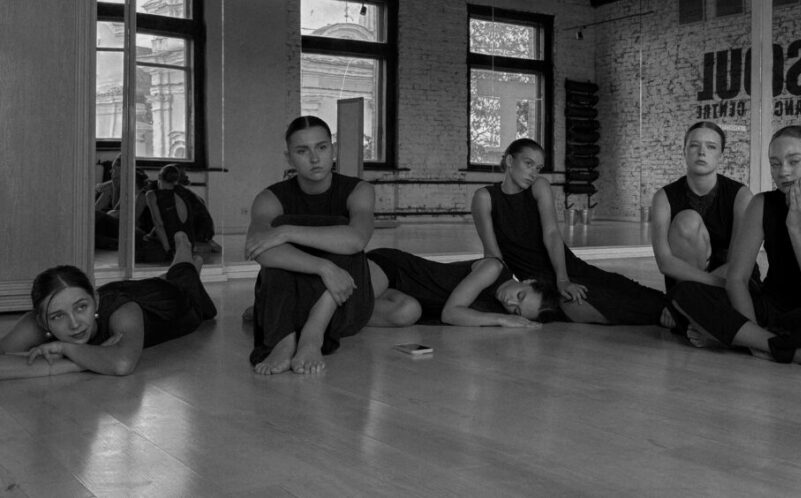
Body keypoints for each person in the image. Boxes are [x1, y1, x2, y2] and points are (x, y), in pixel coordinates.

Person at [668, 125, 801, 369]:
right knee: (684, 293)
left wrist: (796, 227)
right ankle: (781, 348)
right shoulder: (761, 203)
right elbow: (737, 279)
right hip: (771, 310)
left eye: (794, 161)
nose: (783, 171)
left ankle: (739, 338)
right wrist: (753, 331)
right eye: (775, 164)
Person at [472, 138, 666, 325]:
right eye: (528, 164)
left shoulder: (539, 186)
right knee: (600, 302)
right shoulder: (485, 197)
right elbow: (493, 255)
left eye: (538, 168)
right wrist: (505, 295)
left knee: (622, 287)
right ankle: (668, 316)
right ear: (509, 161)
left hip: (567, 266)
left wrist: (563, 279)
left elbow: (552, 234)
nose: (533, 173)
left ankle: (675, 308)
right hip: (536, 284)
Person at [246, 115, 376, 376]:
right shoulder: (270, 198)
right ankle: (283, 341)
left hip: (343, 297)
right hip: (291, 299)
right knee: (277, 239)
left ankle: (311, 337)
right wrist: (323, 267)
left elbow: (356, 239)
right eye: (302, 151)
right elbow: (257, 248)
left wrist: (286, 232)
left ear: (333, 149)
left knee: (342, 232)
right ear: (289, 158)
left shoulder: (358, 190)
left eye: (322, 147)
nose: (315, 158)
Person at [0, 232, 216, 379]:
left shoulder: (124, 311)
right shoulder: (36, 321)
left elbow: (122, 364)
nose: (74, 324)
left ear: (94, 301)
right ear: (42, 320)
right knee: (173, 277)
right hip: (130, 289)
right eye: (58, 316)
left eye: (81, 307)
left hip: (174, 303)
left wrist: (65, 349)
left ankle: (183, 248)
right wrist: (80, 361)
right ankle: (180, 271)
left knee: (186, 282)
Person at [650, 121, 754, 292]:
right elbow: (665, 262)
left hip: (732, 282)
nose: (702, 152)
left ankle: (689, 301)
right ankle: (690, 299)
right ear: (684, 151)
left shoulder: (741, 196)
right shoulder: (663, 197)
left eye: (711, 147)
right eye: (694, 145)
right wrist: (701, 288)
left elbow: (739, 262)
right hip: (687, 284)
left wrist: (698, 291)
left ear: (721, 155)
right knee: (687, 221)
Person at [366, 247, 560, 327]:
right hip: (393, 268)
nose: (509, 302)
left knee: (408, 312)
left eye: (516, 310)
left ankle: (355, 311)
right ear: (528, 282)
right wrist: (502, 319)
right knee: (351, 303)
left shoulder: (496, 308)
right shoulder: (493, 268)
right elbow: (450, 314)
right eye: (520, 296)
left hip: (402, 296)